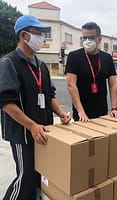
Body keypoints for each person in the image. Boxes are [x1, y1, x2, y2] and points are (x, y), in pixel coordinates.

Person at [0, 15, 71, 200]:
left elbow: (50, 96)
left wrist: (61, 112)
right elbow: (6, 103)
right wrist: (31, 125)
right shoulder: (9, 62)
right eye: (38, 33)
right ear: (24, 35)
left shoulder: (41, 65)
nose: (42, 38)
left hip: (44, 132)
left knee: (40, 177)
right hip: (23, 134)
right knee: (26, 179)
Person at [65, 22, 117, 122]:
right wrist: (80, 111)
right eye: (84, 38)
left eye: (91, 38)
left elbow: (112, 84)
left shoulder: (107, 58)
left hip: (101, 111)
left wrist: (114, 108)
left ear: (99, 39)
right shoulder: (74, 57)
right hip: (82, 113)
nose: (87, 41)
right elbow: (71, 84)